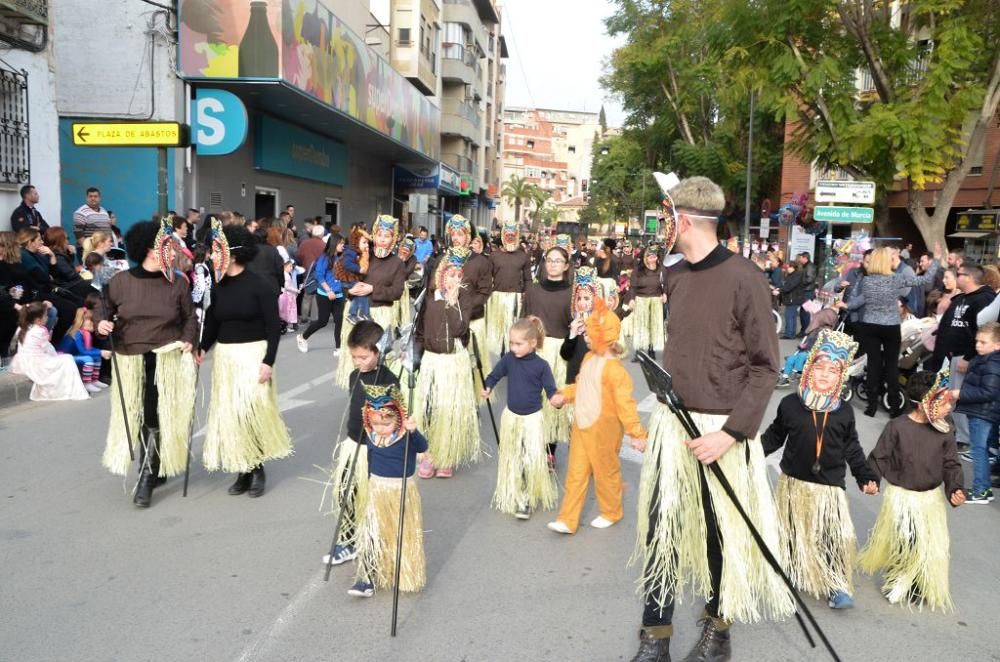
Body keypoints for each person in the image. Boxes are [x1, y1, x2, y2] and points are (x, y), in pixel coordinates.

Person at [630, 177, 793, 662]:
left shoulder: (745, 277)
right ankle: (653, 639)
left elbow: (767, 366)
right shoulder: (674, 275)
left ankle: (717, 633)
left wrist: (730, 434)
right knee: (661, 531)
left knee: (719, 534)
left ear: (682, 219)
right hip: (671, 426)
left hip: (720, 431)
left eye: (665, 219)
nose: (661, 227)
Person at [761, 329, 879, 610]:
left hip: (829, 487)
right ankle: (790, 571)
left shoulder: (843, 412)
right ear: (809, 368)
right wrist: (749, 455)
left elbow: (852, 448)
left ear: (841, 378)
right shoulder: (791, 404)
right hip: (793, 484)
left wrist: (865, 476)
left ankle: (835, 582)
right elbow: (774, 436)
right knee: (791, 532)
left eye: (833, 371)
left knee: (831, 536)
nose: (825, 375)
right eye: (820, 368)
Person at [95, 220, 198, 508]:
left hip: (164, 358)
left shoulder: (177, 282)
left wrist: (190, 339)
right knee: (139, 413)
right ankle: (155, 463)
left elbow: (190, 316)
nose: (171, 250)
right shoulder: (120, 282)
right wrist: (100, 322)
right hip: (130, 357)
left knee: (154, 414)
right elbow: (102, 307)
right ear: (149, 250)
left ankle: (148, 474)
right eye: (165, 246)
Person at [859, 369, 966, 610]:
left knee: (927, 544)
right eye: (943, 401)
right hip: (902, 498)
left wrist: (955, 488)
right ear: (923, 404)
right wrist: (871, 479)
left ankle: (917, 582)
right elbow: (879, 457)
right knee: (906, 540)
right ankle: (898, 578)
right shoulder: (897, 427)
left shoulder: (945, 429)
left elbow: (951, 462)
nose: (949, 407)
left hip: (930, 500)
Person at [199, 224, 291, 499]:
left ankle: (257, 468)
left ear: (232, 254)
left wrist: (268, 361)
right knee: (232, 414)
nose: (211, 257)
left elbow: (274, 327)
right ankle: (243, 469)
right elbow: (214, 321)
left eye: (216, 252)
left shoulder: (260, 285)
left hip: (253, 356)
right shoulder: (219, 286)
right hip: (226, 358)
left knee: (250, 413)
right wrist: (201, 348)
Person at [548, 297, 646, 534]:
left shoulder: (616, 371)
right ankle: (567, 519)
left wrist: (637, 433)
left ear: (605, 336)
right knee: (576, 473)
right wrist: (564, 394)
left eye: (590, 335)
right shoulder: (589, 357)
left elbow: (626, 406)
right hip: (582, 425)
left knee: (606, 473)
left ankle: (612, 511)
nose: (585, 337)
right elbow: (581, 385)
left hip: (604, 431)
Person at [324, 320, 400, 567]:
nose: (359, 362)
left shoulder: (389, 380)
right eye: (355, 357)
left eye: (364, 357)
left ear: (379, 351)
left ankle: (372, 539)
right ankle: (347, 540)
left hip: (375, 449)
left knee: (371, 499)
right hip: (352, 444)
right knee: (346, 492)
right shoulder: (354, 376)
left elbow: (396, 418)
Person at [347, 383, 427, 598]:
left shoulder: (405, 436)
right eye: (375, 422)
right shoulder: (372, 437)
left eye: (386, 422)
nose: (380, 427)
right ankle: (368, 579)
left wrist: (414, 431)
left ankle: (403, 574)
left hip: (401, 491)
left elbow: (423, 447)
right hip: (377, 490)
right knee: (373, 534)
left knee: (401, 535)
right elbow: (370, 460)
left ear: (398, 418)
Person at [841, 246, 940, 417]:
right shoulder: (897, 279)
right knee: (891, 366)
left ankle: (871, 407)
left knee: (872, 365)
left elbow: (857, 300)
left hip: (870, 325)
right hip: (891, 326)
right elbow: (925, 280)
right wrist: (936, 260)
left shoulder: (866, 281)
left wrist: (846, 305)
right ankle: (894, 407)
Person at [482, 317, 559, 520]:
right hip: (512, 418)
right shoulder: (509, 359)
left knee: (529, 457)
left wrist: (555, 399)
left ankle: (527, 496)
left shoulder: (542, 366)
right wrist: (488, 386)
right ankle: (514, 490)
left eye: (518, 343)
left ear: (532, 343)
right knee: (514, 456)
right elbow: (494, 374)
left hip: (532, 420)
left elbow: (551, 390)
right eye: (511, 343)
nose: (513, 347)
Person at [414, 248, 479, 479]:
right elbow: (419, 329)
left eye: (459, 276)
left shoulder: (464, 299)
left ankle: (447, 456)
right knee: (430, 408)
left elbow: (461, 329)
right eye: (451, 275)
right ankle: (429, 455)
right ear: (440, 275)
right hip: (432, 360)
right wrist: (416, 358)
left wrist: (452, 304)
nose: (455, 280)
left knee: (449, 410)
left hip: (453, 361)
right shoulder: (429, 297)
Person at [930, 263, 996, 445]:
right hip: (954, 354)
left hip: (968, 356)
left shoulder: (983, 299)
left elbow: (981, 332)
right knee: (953, 396)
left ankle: (965, 440)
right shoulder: (961, 298)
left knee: (962, 397)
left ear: (968, 277)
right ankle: (959, 435)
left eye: (958, 274)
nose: (955, 277)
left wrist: (968, 357)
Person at [522, 246, 574, 468]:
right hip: (536, 350)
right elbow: (523, 320)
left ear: (566, 265)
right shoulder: (532, 290)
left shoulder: (572, 292)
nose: (553, 264)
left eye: (558, 261)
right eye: (549, 260)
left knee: (554, 403)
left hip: (560, 353)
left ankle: (549, 450)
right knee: (534, 401)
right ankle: (532, 447)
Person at [949, 321, 1000, 504]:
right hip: (981, 411)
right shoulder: (986, 359)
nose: (978, 345)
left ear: (997, 345)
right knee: (981, 450)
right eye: (977, 341)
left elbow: (989, 392)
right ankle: (983, 487)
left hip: (982, 413)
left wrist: (959, 393)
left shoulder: (993, 363)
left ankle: (980, 490)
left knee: (979, 450)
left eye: (983, 342)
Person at [9, 301, 89, 401]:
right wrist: (56, 356)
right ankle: (67, 389)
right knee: (67, 359)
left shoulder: (23, 328)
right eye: (45, 316)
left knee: (63, 358)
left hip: (24, 361)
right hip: (37, 363)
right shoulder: (40, 331)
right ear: (38, 320)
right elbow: (47, 348)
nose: (47, 318)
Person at [486, 220, 532, 356]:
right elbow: (488, 279)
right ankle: (498, 355)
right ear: (502, 237)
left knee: (513, 330)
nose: (510, 237)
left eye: (513, 235)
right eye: (507, 235)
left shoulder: (523, 256)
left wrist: (527, 298)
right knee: (496, 331)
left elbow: (528, 279)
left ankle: (512, 354)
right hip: (497, 299)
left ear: (517, 236)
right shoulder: (494, 256)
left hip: (516, 300)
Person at [298, 234, 345, 355]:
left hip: (339, 294)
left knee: (339, 320)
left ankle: (338, 348)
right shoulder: (324, 257)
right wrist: (328, 290)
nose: (343, 246)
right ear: (334, 244)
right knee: (322, 321)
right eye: (341, 243)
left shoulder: (340, 257)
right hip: (325, 294)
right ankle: (303, 337)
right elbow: (319, 275)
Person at [624, 245, 668, 359]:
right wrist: (632, 299)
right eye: (650, 257)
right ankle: (639, 352)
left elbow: (666, 284)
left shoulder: (662, 270)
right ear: (645, 258)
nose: (653, 259)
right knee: (641, 326)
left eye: (654, 256)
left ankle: (651, 350)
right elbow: (633, 287)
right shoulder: (638, 270)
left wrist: (665, 294)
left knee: (653, 326)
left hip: (655, 301)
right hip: (641, 300)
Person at [336, 226, 371, 324]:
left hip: (352, 279)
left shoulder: (358, 252)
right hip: (348, 280)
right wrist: (359, 269)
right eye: (364, 242)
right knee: (362, 293)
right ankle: (360, 313)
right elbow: (347, 264)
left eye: (367, 242)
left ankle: (356, 314)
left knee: (359, 295)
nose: (366, 245)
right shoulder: (350, 252)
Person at [778, 261, 806, 339]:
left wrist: (780, 290)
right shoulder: (792, 275)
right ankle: (791, 333)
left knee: (789, 316)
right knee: (791, 316)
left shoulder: (796, 275)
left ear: (793, 267)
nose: (787, 269)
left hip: (793, 299)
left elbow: (789, 286)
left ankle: (789, 334)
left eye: (789, 267)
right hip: (792, 298)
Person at [279, 259, 300, 333]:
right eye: (290, 266)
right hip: (286, 295)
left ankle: (285, 325)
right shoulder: (286, 275)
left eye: (292, 266)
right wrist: (296, 290)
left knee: (284, 310)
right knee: (286, 310)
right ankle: (285, 326)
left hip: (285, 294)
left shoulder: (285, 274)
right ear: (285, 266)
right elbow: (287, 287)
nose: (291, 268)